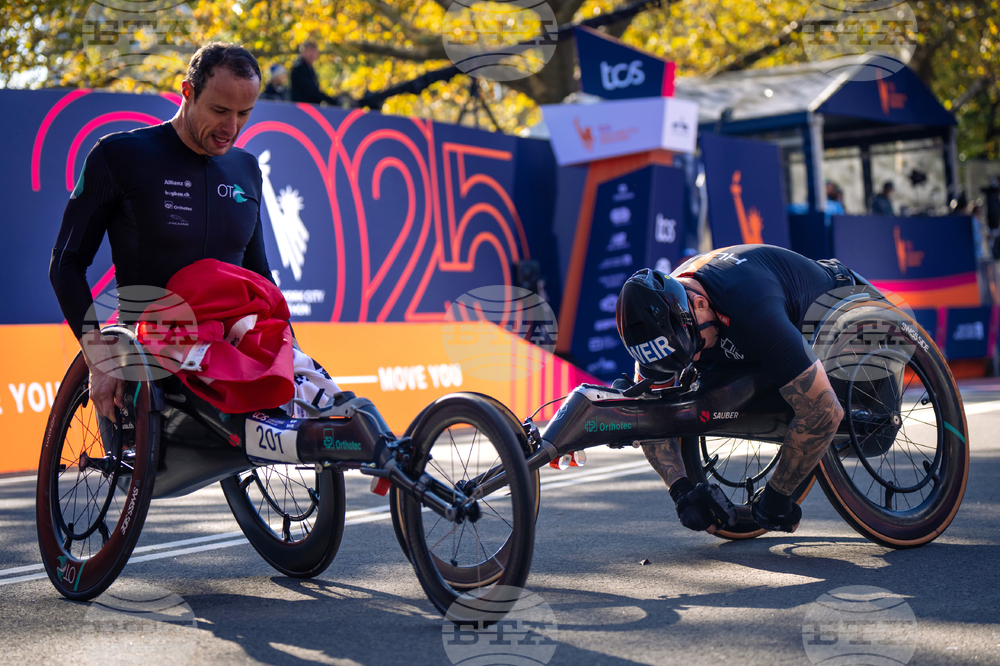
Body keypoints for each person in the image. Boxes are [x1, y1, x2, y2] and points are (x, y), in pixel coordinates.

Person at [50, 42, 272, 424]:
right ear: (188, 92)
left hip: (231, 354)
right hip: (150, 354)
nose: (231, 128)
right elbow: (66, 264)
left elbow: (260, 275)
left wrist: (287, 349)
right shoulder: (120, 155)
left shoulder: (246, 169)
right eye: (220, 111)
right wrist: (98, 358)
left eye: (244, 113)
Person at [616, 245, 849, 534]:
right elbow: (650, 416)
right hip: (749, 321)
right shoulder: (660, 325)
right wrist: (681, 492)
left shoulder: (751, 306)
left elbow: (824, 410)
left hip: (837, 296)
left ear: (700, 304)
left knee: (813, 401)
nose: (695, 358)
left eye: (696, 345)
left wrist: (777, 497)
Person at [290, 41, 351, 107]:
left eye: (314, 52)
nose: (312, 55)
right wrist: (331, 100)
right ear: (303, 52)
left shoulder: (309, 69)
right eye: (310, 51)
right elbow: (311, 91)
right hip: (302, 108)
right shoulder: (299, 68)